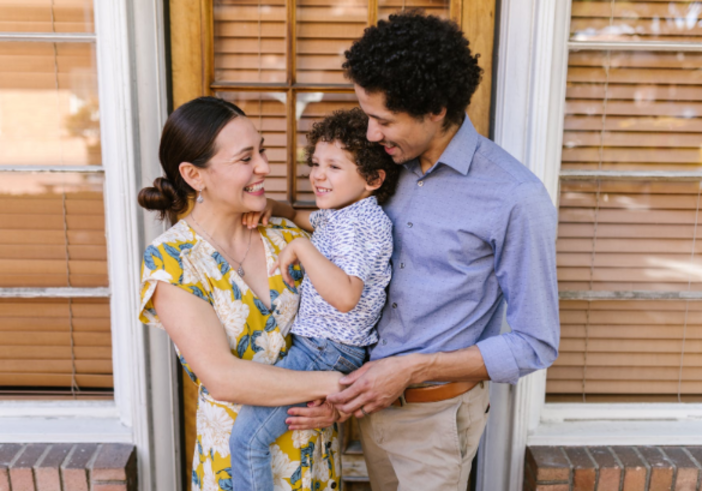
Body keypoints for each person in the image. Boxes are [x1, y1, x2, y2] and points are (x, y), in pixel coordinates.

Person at [319, 11, 561, 490]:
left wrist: (411, 368)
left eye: (383, 120)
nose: (369, 135)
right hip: (365, 407)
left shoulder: (515, 197)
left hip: (436, 422)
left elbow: (536, 343)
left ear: (435, 109)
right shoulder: (382, 167)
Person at [137, 96, 346, 491]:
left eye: (262, 150)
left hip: (313, 461)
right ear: (194, 175)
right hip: (237, 469)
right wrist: (339, 386)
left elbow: (342, 326)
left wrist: (338, 408)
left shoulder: (287, 236)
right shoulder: (172, 260)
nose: (264, 167)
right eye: (246, 157)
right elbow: (223, 378)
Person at [229, 108, 400, 491]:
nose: (318, 175)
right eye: (316, 163)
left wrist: (302, 248)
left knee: (246, 440)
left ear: (372, 179)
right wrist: (278, 210)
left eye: (334, 167)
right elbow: (305, 217)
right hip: (324, 349)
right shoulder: (344, 214)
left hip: (325, 352)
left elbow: (345, 296)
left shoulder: (361, 225)